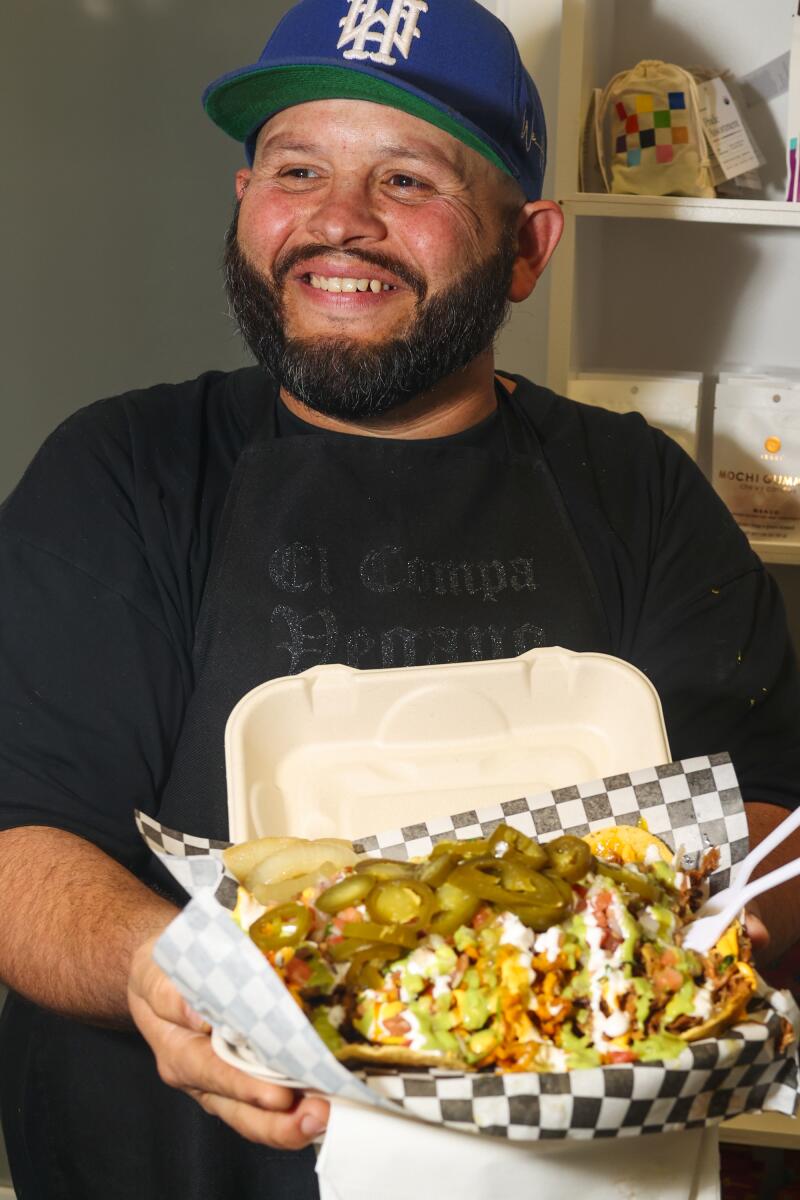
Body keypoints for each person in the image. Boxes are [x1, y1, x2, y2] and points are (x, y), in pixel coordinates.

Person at [1, 0, 799, 1196]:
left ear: (526, 245)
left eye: (408, 180)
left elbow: (766, 822)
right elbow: (19, 836)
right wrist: (161, 969)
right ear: (245, 200)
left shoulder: (635, 487)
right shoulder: (123, 470)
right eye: (297, 168)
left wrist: (671, 954)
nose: (336, 221)